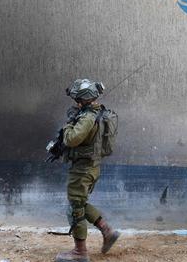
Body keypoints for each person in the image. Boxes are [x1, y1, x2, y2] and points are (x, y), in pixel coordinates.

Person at [55, 79, 120, 262]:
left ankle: (80, 252)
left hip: (82, 169)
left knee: (75, 207)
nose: (75, 103)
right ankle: (107, 231)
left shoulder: (87, 118)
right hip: (90, 167)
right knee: (80, 203)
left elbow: (72, 139)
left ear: (82, 100)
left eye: (76, 99)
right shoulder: (97, 112)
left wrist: (68, 125)